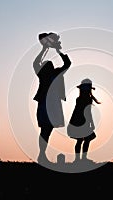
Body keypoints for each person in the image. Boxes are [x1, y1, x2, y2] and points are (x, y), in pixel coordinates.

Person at [33, 32, 71, 164]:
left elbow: (67, 63)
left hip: (53, 104)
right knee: (45, 128)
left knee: (47, 129)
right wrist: (45, 49)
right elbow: (36, 63)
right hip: (45, 103)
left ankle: (42, 155)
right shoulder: (43, 75)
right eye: (47, 64)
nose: (50, 65)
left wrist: (58, 50)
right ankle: (42, 155)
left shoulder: (55, 74)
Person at [67, 78, 101, 163]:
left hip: (76, 121)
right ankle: (82, 159)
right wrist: (91, 123)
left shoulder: (79, 99)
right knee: (86, 139)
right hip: (82, 121)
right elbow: (88, 113)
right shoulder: (87, 99)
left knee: (81, 140)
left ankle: (78, 159)